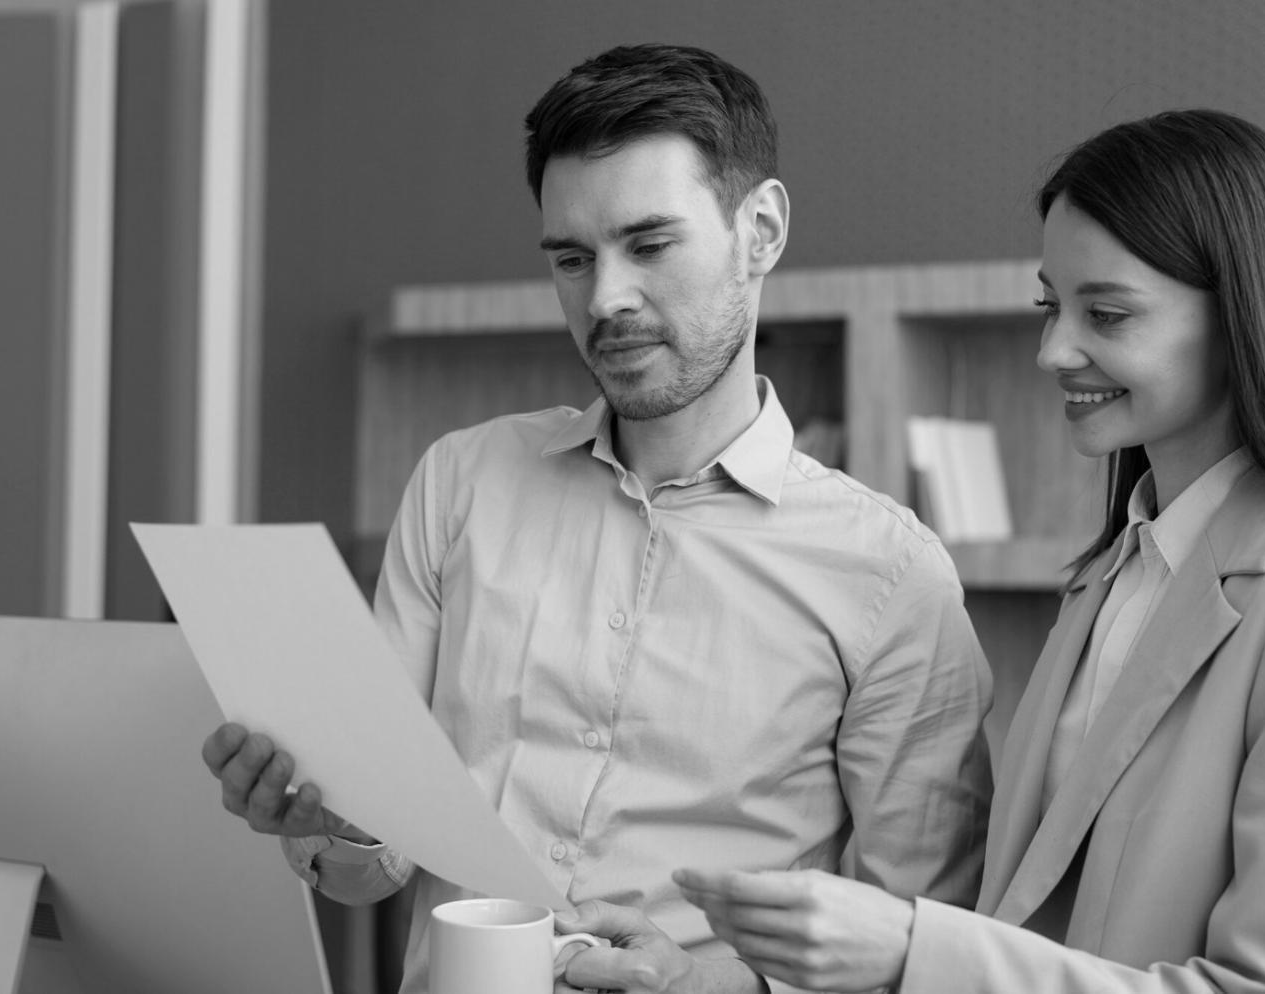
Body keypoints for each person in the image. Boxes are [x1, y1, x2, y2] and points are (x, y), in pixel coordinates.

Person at [201, 43, 993, 994]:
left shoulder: (891, 575)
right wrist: (327, 813)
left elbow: (923, 951)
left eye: (650, 245)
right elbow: (374, 866)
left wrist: (720, 987)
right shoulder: (460, 483)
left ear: (762, 230)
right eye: (572, 259)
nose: (605, 298)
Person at [676, 108, 1265, 992]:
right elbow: (1026, 927)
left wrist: (912, 951)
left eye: (1106, 314)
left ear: (1243, 320)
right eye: (1051, 305)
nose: (1053, 350)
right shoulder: (1117, 574)